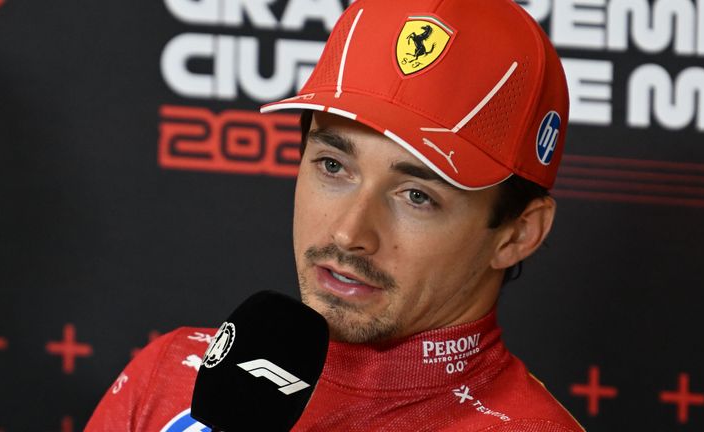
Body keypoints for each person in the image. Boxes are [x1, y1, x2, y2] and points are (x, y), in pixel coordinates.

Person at [86, 0, 583, 430]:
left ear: (518, 234)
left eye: (416, 196)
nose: (349, 233)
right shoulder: (172, 375)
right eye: (333, 165)